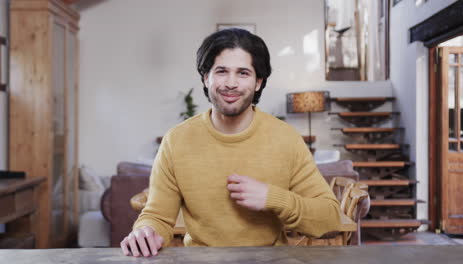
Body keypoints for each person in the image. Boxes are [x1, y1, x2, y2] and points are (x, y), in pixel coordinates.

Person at [120, 28, 341, 257]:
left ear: (258, 82)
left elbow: (330, 219)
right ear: (206, 78)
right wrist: (145, 231)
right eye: (222, 71)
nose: (231, 83)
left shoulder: (286, 140)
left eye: (243, 73)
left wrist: (274, 198)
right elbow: (157, 217)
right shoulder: (176, 141)